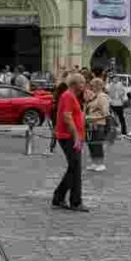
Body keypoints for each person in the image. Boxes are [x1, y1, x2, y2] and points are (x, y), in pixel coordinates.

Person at [51, 73, 88, 212]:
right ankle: (75, 202)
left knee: (73, 168)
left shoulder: (71, 96)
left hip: (71, 136)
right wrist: (76, 136)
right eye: (82, 82)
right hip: (69, 137)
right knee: (75, 169)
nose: (84, 85)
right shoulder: (68, 96)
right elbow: (67, 117)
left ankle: (59, 197)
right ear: (75, 84)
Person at [84, 78, 110, 172]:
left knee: (97, 144)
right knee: (91, 144)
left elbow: (105, 113)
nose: (91, 88)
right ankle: (94, 162)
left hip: (98, 124)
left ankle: (100, 163)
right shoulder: (94, 96)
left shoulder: (102, 97)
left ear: (97, 86)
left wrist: (94, 118)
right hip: (90, 124)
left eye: (92, 86)